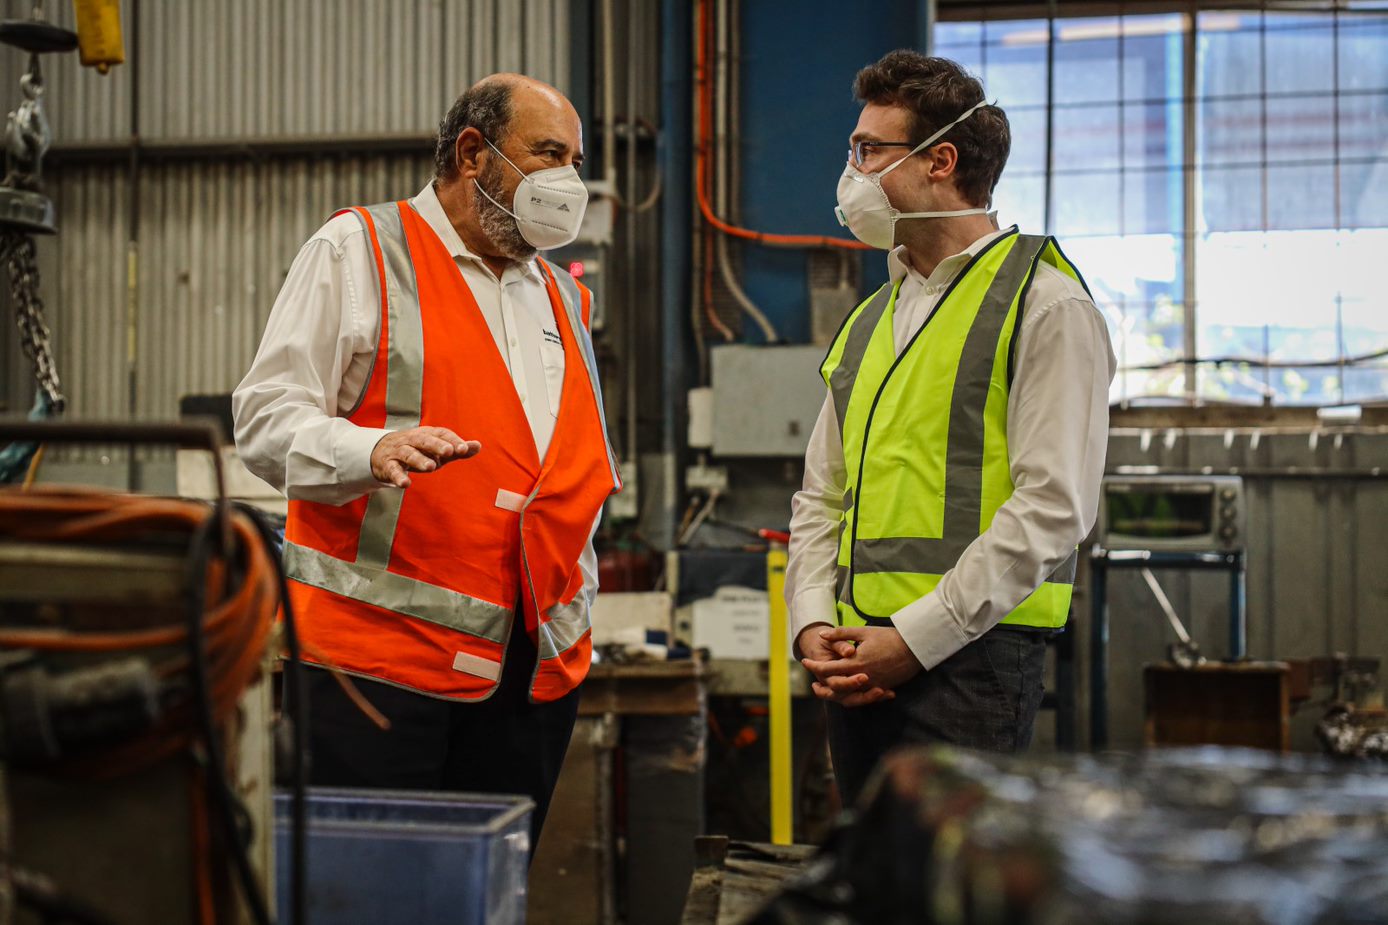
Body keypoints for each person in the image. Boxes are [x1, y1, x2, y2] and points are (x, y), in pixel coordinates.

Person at [233, 73, 619, 848]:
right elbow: (266, 418)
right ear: (474, 153)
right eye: (548, 155)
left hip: (533, 672)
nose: (567, 182)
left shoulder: (563, 299)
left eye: (575, 162)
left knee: (487, 894)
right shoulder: (360, 249)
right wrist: (367, 448)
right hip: (377, 672)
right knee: (374, 896)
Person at [785, 50, 1116, 805]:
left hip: (972, 664)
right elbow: (819, 496)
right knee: (871, 886)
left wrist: (915, 639)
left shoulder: (1047, 305)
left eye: (870, 151)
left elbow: (1054, 507)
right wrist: (812, 625)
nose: (853, 172)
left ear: (941, 160)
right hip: (857, 661)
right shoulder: (873, 317)